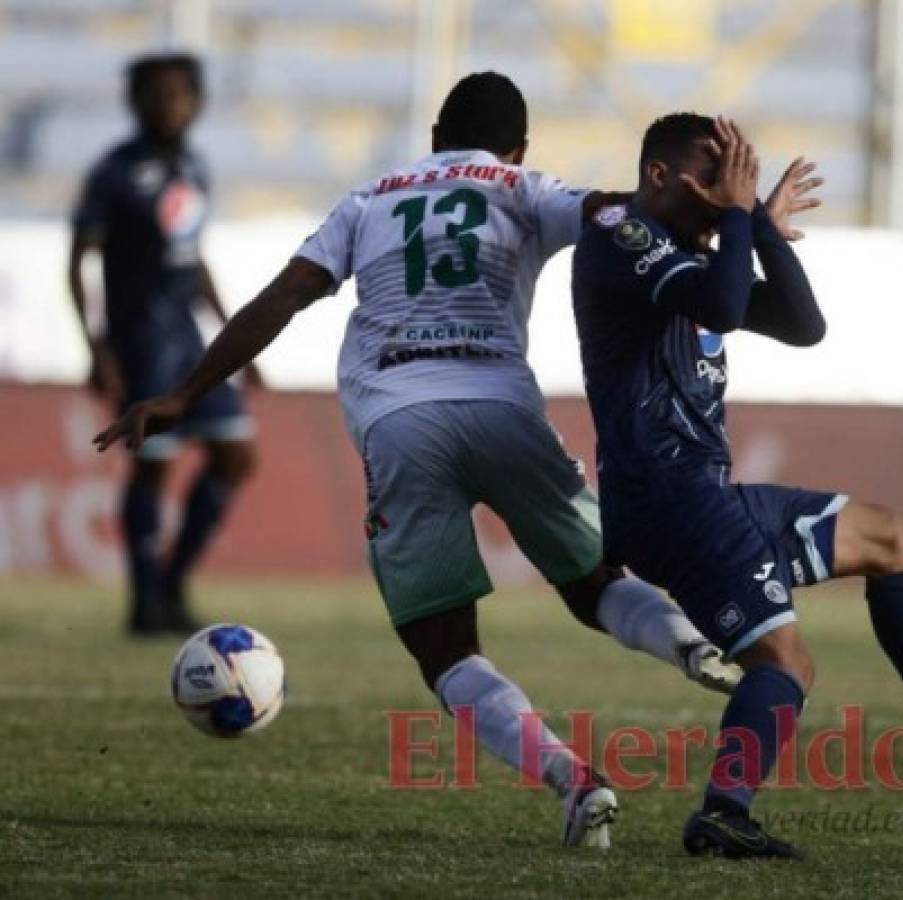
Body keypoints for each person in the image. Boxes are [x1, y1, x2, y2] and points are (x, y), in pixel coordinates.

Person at [94, 73, 739, 849]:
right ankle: (691, 643)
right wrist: (731, 216)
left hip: (400, 424)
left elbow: (284, 294)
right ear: (520, 145)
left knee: (445, 648)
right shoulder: (525, 185)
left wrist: (186, 391)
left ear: (434, 135)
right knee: (594, 582)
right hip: (505, 411)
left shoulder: (368, 199)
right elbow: (620, 211)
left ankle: (575, 781)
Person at [570, 112, 903, 860]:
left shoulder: (696, 250)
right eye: (709, 183)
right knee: (786, 664)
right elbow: (726, 307)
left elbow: (802, 324)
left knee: (886, 538)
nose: (719, 198)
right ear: (658, 177)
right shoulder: (620, 235)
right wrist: (738, 219)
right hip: (669, 501)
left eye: (731, 183)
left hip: (700, 495)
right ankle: (722, 814)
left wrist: (754, 228)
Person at [69, 54, 259, 635]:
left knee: (236, 454)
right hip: (140, 338)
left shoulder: (195, 168)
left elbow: (194, 259)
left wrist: (239, 340)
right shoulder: (114, 172)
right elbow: (77, 261)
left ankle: (173, 585)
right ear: (137, 102)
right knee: (154, 465)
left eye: (179, 94)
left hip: (191, 339)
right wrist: (97, 349)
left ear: (197, 102)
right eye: (156, 94)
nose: (168, 104)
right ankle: (145, 602)